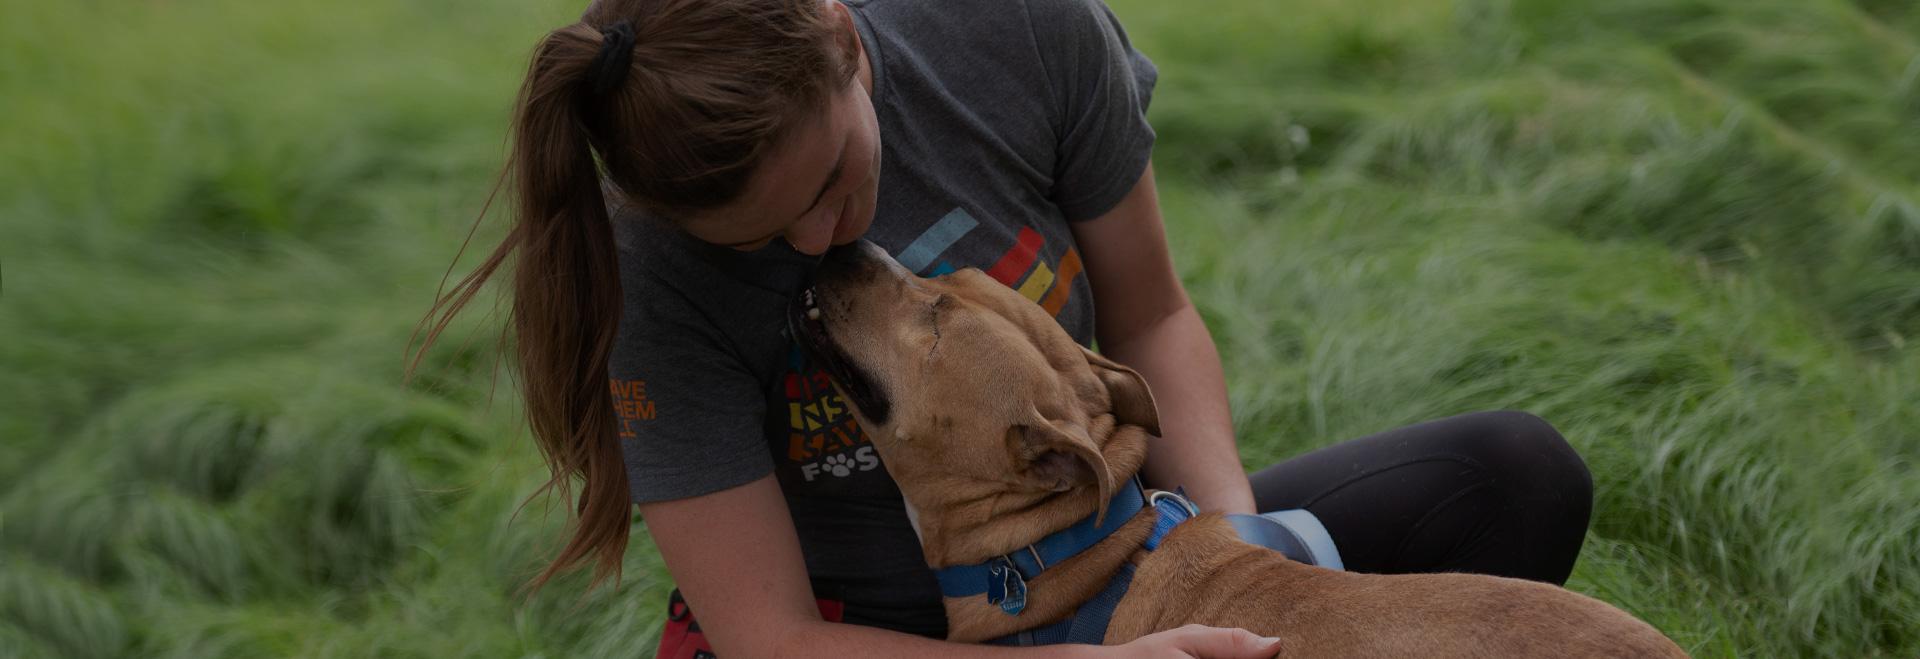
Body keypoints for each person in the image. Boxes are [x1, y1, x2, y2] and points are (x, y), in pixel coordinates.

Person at [414, 0, 1594, 656]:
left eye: (833, 177)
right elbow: (766, 636)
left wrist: (1236, 560)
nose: (829, 242)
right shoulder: (644, 270)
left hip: (1112, 560)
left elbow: (1155, 314)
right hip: (863, 639)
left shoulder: (1014, 29)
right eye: (765, 239)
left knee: (1510, 475)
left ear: (842, 36)